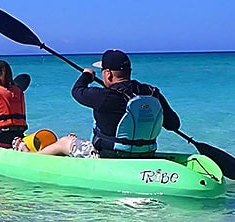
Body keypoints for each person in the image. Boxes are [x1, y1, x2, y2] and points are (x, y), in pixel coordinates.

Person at [13, 49, 179, 157]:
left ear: (107, 74)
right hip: (146, 153)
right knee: (74, 138)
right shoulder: (152, 92)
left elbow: (77, 91)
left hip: (108, 156)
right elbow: (173, 124)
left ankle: (32, 158)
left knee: (66, 141)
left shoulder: (106, 96)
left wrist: (87, 75)